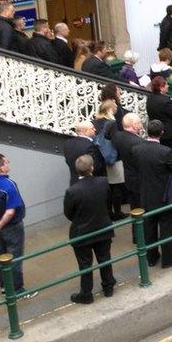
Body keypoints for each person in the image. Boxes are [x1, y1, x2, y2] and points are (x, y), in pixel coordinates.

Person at [134, 120, 172, 268]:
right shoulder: (165, 152)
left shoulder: (137, 149)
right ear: (162, 133)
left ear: (147, 131)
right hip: (164, 196)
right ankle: (168, 259)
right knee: (166, 228)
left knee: (149, 228)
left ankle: (151, 258)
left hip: (146, 195)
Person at [63, 154, 115, 304]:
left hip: (82, 232)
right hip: (102, 227)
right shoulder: (103, 182)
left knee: (85, 265)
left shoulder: (72, 191)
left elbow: (68, 213)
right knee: (105, 259)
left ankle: (86, 294)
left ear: (77, 171)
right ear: (92, 168)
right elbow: (108, 202)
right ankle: (108, 287)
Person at [0, 154, 31, 298]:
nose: (8, 163)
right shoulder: (9, 185)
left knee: (0, 255)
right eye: (6, 162)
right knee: (15, 258)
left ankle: (4, 286)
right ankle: (17, 290)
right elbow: (10, 211)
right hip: (12, 227)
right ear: (1, 167)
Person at [92, 103, 126, 220]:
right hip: (113, 159)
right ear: (110, 110)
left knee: (106, 187)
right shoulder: (112, 124)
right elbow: (116, 141)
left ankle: (108, 212)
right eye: (115, 107)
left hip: (100, 159)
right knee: (116, 187)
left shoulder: (94, 122)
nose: (117, 109)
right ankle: (117, 212)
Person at [111, 113, 144, 217]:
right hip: (140, 181)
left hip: (129, 178)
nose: (142, 125)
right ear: (134, 125)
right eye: (140, 123)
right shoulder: (139, 143)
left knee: (134, 209)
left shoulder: (118, 136)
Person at [147, 77, 172, 161]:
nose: (168, 86)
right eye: (166, 84)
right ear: (161, 88)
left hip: (159, 132)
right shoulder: (166, 102)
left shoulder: (150, 98)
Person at [63, 120, 107, 186]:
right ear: (85, 132)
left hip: (74, 183)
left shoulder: (67, 143)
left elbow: (68, 161)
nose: (95, 129)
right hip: (91, 184)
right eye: (92, 128)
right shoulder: (89, 145)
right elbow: (96, 166)